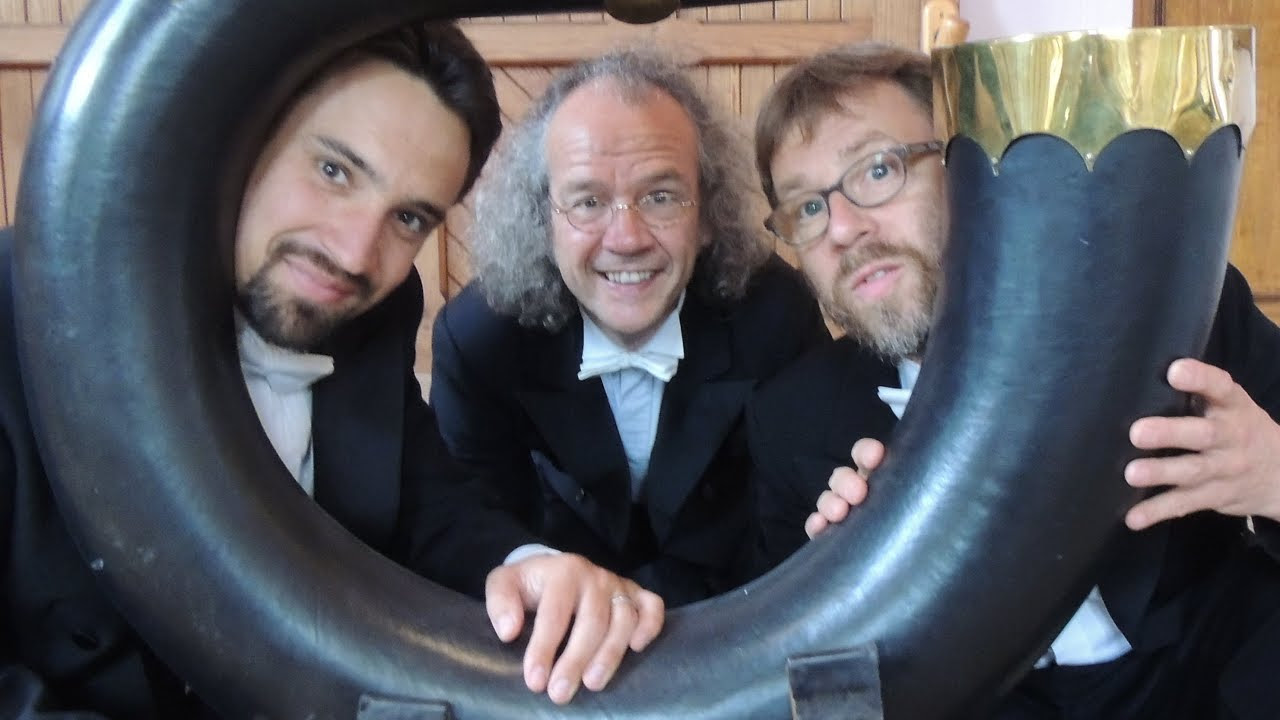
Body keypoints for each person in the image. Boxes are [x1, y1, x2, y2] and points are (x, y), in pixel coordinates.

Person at [0, 23, 663, 718]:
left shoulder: (372, 307)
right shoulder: (18, 305)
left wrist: (532, 567)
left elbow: (432, 505)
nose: (353, 253)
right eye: (333, 171)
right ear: (235, 138)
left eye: (407, 217)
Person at [747, 41, 1280, 718]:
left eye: (877, 170)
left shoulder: (1178, 302)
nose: (844, 229)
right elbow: (803, 675)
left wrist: (1273, 474)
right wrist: (840, 589)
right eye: (807, 209)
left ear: (965, 172)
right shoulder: (788, 422)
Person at [430, 49, 830, 608]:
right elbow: (475, 529)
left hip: (731, 622)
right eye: (588, 201)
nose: (627, 239)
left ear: (709, 215)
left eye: (661, 197)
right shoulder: (476, 339)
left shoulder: (776, 316)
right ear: (543, 221)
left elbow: (792, 527)